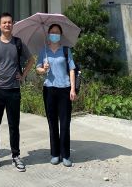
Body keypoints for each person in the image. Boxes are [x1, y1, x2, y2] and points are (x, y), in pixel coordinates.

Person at [0, 12, 35, 172]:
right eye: (4, 22)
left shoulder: (18, 43)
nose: (7, 25)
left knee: (14, 125)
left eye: (9, 22)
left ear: (13, 25)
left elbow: (31, 60)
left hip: (13, 90)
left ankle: (16, 155)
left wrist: (23, 75)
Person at [36, 23, 77, 167]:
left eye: (57, 32)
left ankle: (65, 155)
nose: (54, 34)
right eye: (52, 32)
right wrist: (43, 69)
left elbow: (72, 69)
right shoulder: (44, 51)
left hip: (64, 89)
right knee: (52, 123)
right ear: (48, 34)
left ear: (60, 35)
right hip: (49, 90)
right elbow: (38, 68)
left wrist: (73, 89)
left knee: (65, 123)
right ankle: (55, 153)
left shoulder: (65, 50)